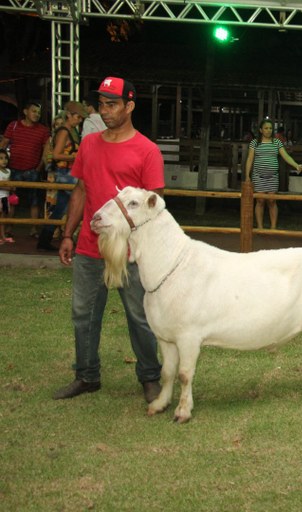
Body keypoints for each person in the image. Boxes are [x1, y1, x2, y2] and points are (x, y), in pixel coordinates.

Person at [52, 76, 163, 402]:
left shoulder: (147, 150)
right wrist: (68, 233)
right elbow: (81, 190)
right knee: (83, 314)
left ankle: (150, 376)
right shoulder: (88, 144)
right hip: (89, 246)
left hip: (129, 252)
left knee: (140, 316)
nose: (105, 110)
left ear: (129, 105)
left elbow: (152, 207)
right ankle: (86, 375)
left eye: (112, 104)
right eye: (101, 104)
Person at [37, 101, 86, 251]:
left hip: (67, 172)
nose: (79, 120)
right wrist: (76, 157)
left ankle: (44, 240)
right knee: (82, 203)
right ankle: (79, 238)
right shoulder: (65, 131)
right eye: (78, 117)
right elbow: (57, 154)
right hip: (65, 173)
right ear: (69, 115)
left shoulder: (70, 131)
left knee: (60, 209)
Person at [244, 118, 302, 229]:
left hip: (272, 177)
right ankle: (260, 227)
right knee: (260, 201)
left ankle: (273, 228)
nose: (268, 130)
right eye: (266, 128)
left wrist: (297, 165)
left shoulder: (277, 142)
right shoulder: (254, 143)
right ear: (260, 130)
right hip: (258, 176)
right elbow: (249, 159)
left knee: (272, 201)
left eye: (270, 128)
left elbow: (286, 156)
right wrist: (247, 176)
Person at [0, 101, 50, 237]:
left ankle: (33, 229)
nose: (37, 115)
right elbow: (3, 144)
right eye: (34, 111)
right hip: (12, 169)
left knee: (34, 201)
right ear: (25, 112)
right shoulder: (13, 126)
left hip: (32, 169)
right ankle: (7, 228)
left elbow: (46, 151)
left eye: (39, 113)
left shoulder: (43, 130)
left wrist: (39, 167)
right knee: (11, 200)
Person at [0, 149, 14, 244]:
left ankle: (3, 236)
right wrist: (9, 187)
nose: (4, 160)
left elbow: (9, 183)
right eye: (0, 158)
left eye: (5, 158)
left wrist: (12, 187)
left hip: (5, 198)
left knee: (3, 218)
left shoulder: (8, 171)